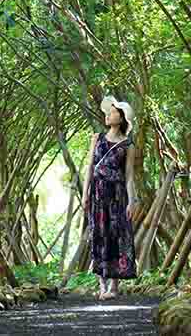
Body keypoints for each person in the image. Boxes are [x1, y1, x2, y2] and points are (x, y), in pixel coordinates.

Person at [82, 95, 140, 299]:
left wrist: (132, 200)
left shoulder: (128, 145)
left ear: (123, 118)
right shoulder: (96, 138)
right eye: (108, 112)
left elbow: (130, 176)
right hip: (97, 193)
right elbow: (90, 167)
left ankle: (113, 287)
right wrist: (84, 193)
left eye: (113, 111)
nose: (108, 115)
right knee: (98, 234)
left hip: (116, 194)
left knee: (116, 235)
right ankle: (101, 284)